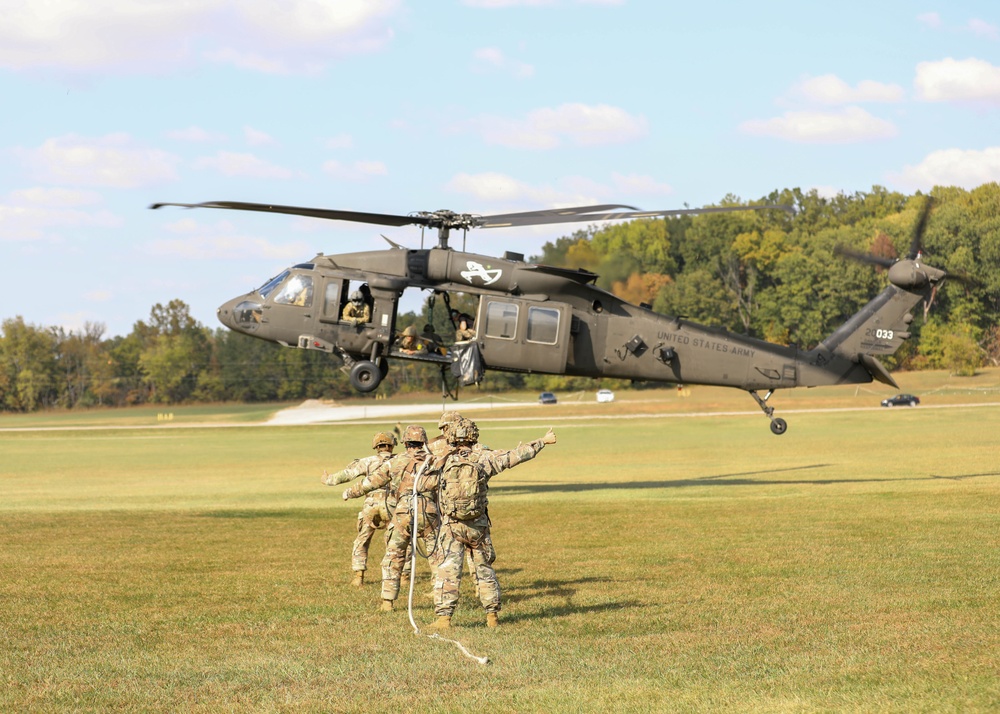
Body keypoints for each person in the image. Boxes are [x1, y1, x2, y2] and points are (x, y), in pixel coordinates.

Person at [428, 418, 557, 630]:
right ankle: (492, 617)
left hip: (451, 525)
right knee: (484, 570)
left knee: (448, 572)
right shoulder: (485, 458)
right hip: (478, 526)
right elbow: (515, 456)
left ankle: (444, 619)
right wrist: (542, 441)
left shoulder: (440, 460)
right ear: (473, 436)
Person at [342, 425, 441, 611]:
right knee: (437, 557)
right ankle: (440, 597)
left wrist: (349, 492)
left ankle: (388, 602)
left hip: (402, 514)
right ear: (424, 442)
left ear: (404, 442)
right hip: (429, 514)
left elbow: (370, 483)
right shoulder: (436, 461)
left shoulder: (395, 462)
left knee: (393, 556)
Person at [322, 431, 397, 587]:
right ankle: (403, 576)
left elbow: (347, 475)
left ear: (376, 446)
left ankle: (358, 576)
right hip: (393, 504)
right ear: (392, 445)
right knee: (399, 541)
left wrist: (328, 479)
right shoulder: (400, 460)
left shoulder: (367, 461)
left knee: (362, 540)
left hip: (370, 505)